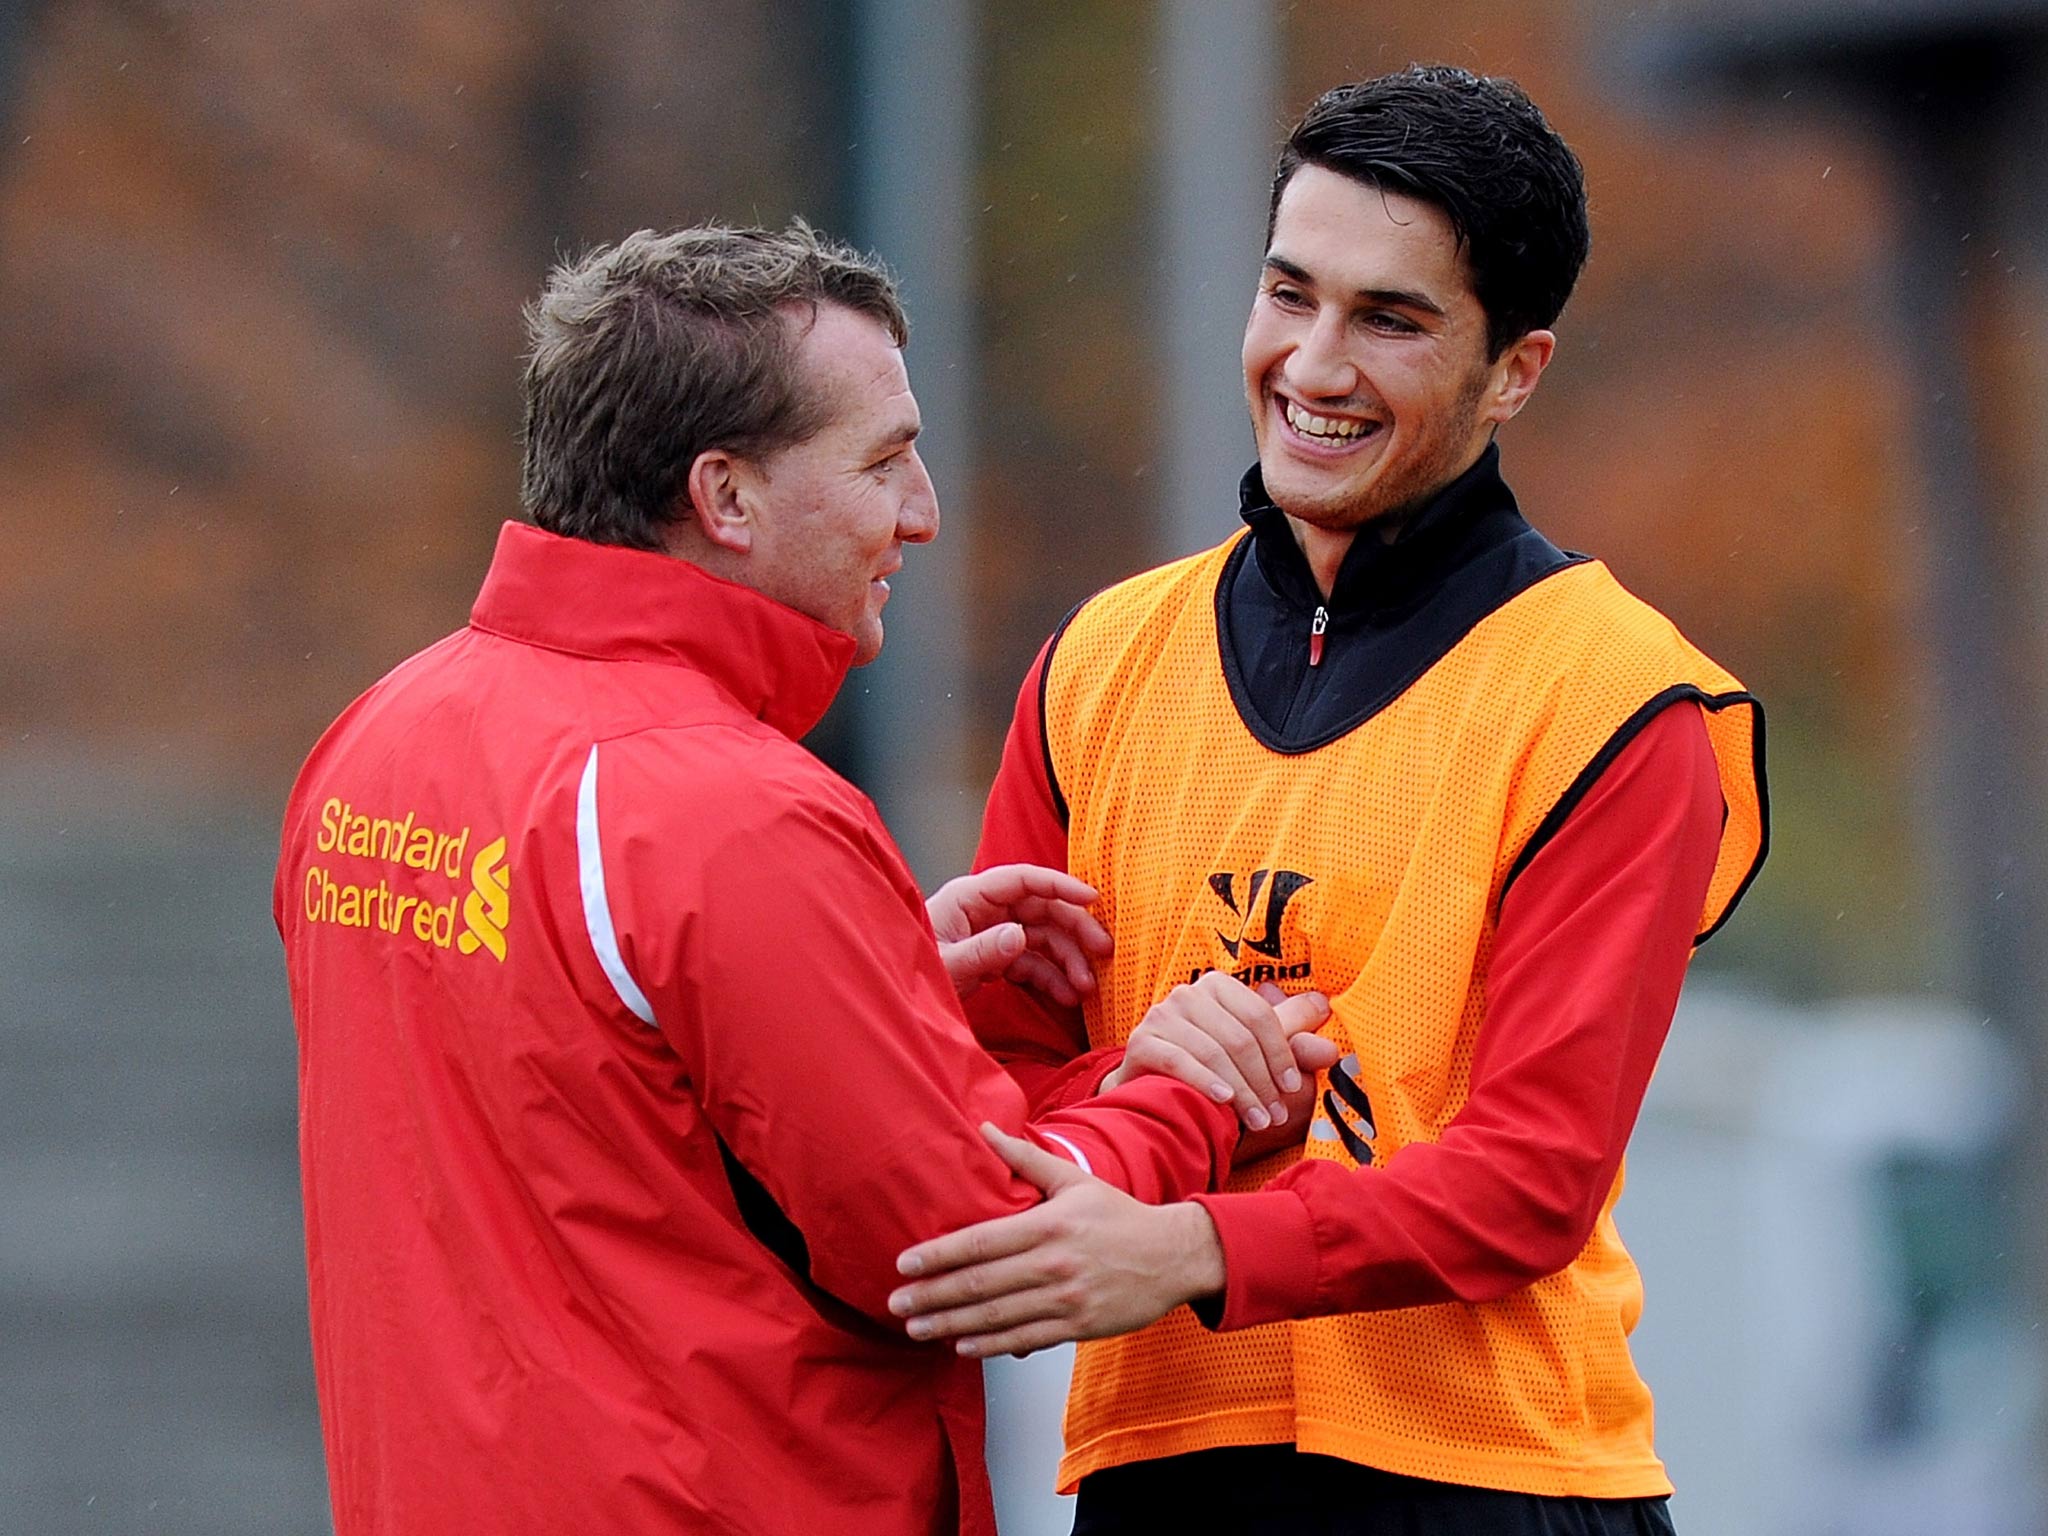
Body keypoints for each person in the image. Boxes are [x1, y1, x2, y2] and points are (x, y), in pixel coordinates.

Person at [272, 223, 1324, 1536]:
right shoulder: (734, 817)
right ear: (726, 499)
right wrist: (1184, 1096)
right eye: (884, 460)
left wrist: (863, 981)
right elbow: (968, 1248)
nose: (924, 513)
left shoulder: (376, 741)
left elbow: (571, 1081)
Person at [888, 66, 1768, 1535]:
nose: (1313, 362)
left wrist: (1196, 1247)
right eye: (1289, 293)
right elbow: (990, 1122)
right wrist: (1144, 1078)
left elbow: (1532, 1181)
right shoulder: (1095, 665)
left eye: (1391, 319)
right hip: (1160, 1472)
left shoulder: (1626, 703)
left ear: (1518, 372)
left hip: (1492, 1483)